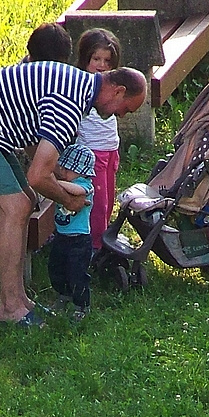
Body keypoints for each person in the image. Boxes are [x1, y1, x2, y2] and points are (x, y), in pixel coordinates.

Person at [0, 61, 147, 326]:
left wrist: (57, 175)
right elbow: (37, 176)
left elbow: (35, 141)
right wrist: (70, 201)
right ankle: (9, 308)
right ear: (118, 91)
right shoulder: (70, 105)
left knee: (27, 202)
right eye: (126, 108)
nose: (122, 116)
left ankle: (19, 298)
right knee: (16, 207)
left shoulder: (76, 85)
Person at [74, 28, 123, 253]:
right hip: (91, 153)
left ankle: (103, 236)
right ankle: (94, 247)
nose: (102, 65)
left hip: (110, 149)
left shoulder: (112, 88)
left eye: (107, 61)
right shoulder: (81, 87)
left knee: (109, 200)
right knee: (98, 203)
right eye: (96, 59)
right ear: (85, 59)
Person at [48, 143, 96, 320]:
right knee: (56, 269)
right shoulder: (66, 182)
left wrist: (54, 183)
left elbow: (77, 191)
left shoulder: (85, 185)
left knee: (77, 274)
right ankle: (63, 294)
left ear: (82, 172)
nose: (64, 172)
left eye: (68, 169)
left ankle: (82, 305)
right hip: (61, 236)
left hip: (79, 240)